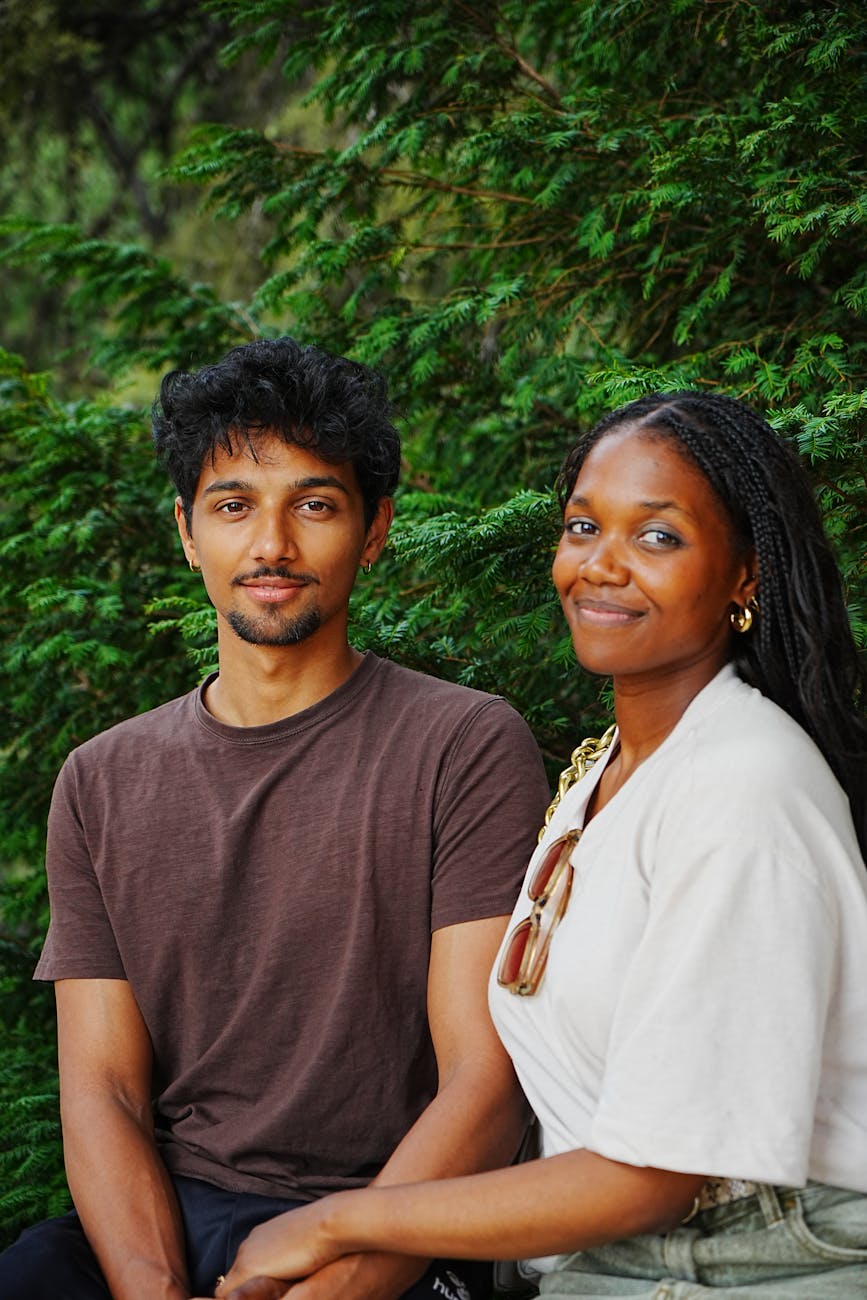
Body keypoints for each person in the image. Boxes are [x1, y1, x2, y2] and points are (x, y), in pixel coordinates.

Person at [207, 390, 867, 1300]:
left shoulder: (744, 787)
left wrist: (333, 1221)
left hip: (751, 1265)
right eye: (582, 526)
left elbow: (650, 1178)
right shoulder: (608, 773)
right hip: (615, 1264)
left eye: (657, 537)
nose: (601, 566)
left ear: (745, 574)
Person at [0, 336, 551, 1300]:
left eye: (314, 504)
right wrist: (153, 1290)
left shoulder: (464, 744)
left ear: (374, 529)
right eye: (232, 506)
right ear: (185, 532)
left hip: (396, 1218)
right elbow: (105, 1090)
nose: (271, 546)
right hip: (172, 1214)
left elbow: (485, 1081)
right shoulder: (101, 778)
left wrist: (347, 1280)